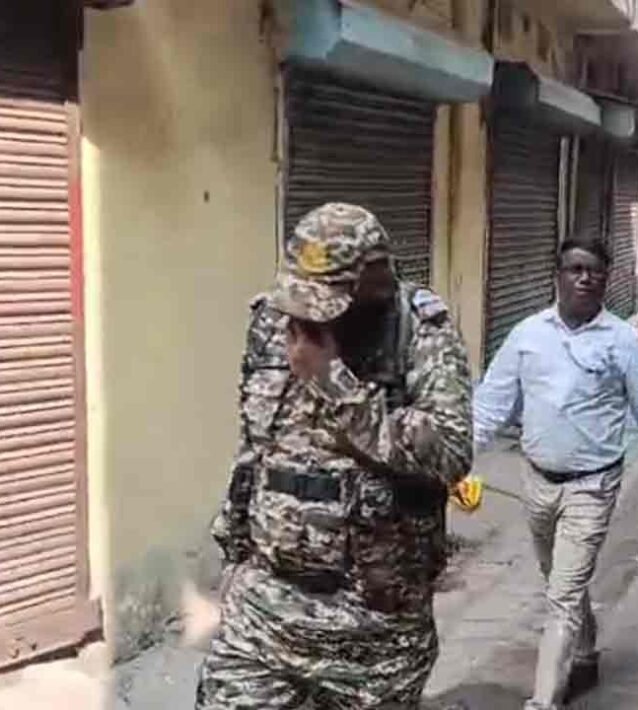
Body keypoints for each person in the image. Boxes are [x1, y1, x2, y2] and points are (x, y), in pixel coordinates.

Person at [196, 203, 473, 709]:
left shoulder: (419, 330)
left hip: (374, 625)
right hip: (264, 609)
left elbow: (451, 454)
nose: (307, 316)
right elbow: (255, 448)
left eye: (327, 301)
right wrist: (234, 552)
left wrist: (335, 384)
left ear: (376, 277)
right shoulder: (274, 322)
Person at [473, 238, 638, 710]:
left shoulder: (623, 342)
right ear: (558, 275)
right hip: (537, 481)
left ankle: (543, 701)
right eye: (575, 268)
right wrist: (454, 458)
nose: (584, 277)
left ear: (606, 280)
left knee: (563, 595)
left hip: (593, 485)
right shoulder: (528, 335)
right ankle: (586, 653)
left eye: (594, 271)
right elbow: (489, 406)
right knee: (559, 579)